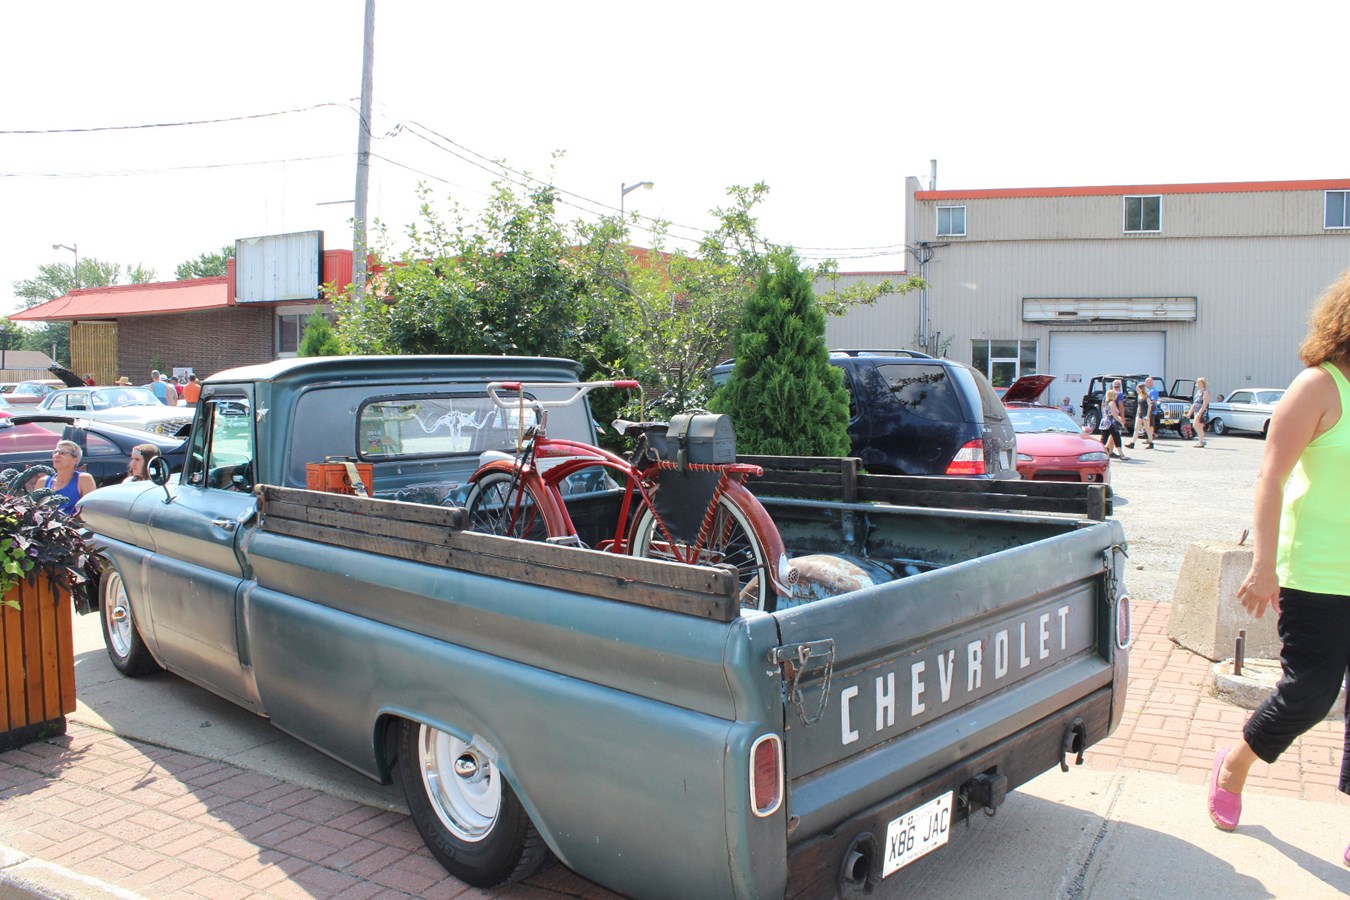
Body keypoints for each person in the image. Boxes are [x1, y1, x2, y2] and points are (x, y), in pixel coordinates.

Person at [1209, 269, 1350, 868]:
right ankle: (1236, 763)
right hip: (1319, 574)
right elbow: (1271, 474)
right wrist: (1263, 564)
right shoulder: (1319, 386)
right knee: (1310, 694)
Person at [38, 440, 97, 517]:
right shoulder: (43, 482)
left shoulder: (83, 479)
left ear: (75, 460)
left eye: (62, 453)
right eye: (55, 452)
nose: (57, 455)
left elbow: (91, 511)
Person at [1126, 382, 1154, 450]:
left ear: (1141, 389)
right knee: (1136, 428)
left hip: (1145, 414)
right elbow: (1139, 406)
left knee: (1147, 429)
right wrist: (1137, 415)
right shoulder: (1139, 396)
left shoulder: (1146, 397)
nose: (1136, 390)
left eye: (1138, 388)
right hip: (1140, 414)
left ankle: (1151, 443)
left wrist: (1148, 415)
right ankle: (1132, 443)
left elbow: (1150, 406)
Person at [1099, 387, 1125, 459]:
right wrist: (1121, 422)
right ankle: (1121, 455)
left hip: (1104, 423)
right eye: (1115, 395)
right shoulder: (1112, 403)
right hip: (1111, 423)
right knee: (1117, 438)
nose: (1116, 396)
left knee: (1103, 439)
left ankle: (1098, 452)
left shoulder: (1105, 403)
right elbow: (1114, 414)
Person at [1191, 376, 1212, 447]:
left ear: (1203, 383)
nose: (1198, 384)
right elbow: (1195, 403)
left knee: (1195, 424)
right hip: (1196, 410)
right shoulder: (1198, 392)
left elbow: (1205, 403)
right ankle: (1201, 441)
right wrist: (1190, 412)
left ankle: (1202, 441)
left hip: (1202, 411)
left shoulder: (1205, 392)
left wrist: (1200, 412)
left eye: (1199, 382)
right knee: (1199, 426)